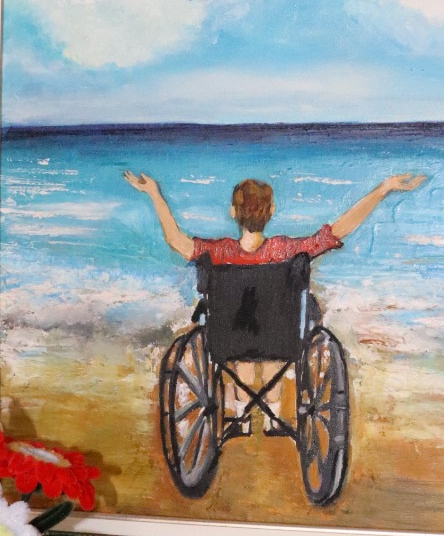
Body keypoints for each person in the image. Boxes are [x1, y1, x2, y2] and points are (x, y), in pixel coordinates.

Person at [125, 168, 426, 429]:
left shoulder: (219, 252)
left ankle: (241, 412)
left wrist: (154, 193)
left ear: (233, 212)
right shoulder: (285, 250)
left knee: (242, 342)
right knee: (272, 336)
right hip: (281, 341)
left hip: (228, 341)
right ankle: (272, 413)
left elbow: (175, 240)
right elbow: (336, 232)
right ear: (271, 212)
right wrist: (383, 190)